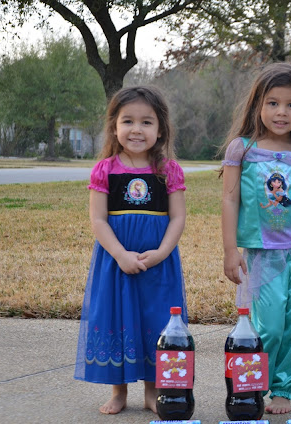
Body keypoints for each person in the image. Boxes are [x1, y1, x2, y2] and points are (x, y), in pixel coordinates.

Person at [220, 62, 291, 415]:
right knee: (268, 325)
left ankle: (283, 388)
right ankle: (254, 386)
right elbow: (230, 200)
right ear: (258, 105)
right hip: (262, 254)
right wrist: (230, 250)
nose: (281, 112)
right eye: (273, 103)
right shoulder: (242, 149)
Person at [74, 86, 187, 416]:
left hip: (158, 262)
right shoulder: (105, 170)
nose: (137, 129)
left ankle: (153, 391)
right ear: (114, 127)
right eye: (128, 121)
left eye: (146, 122)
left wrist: (162, 252)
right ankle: (119, 391)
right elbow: (98, 220)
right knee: (117, 316)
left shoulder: (168, 170)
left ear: (160, 129)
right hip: (116, 261)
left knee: (157, 320)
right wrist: (121, 255)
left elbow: (178, 217)